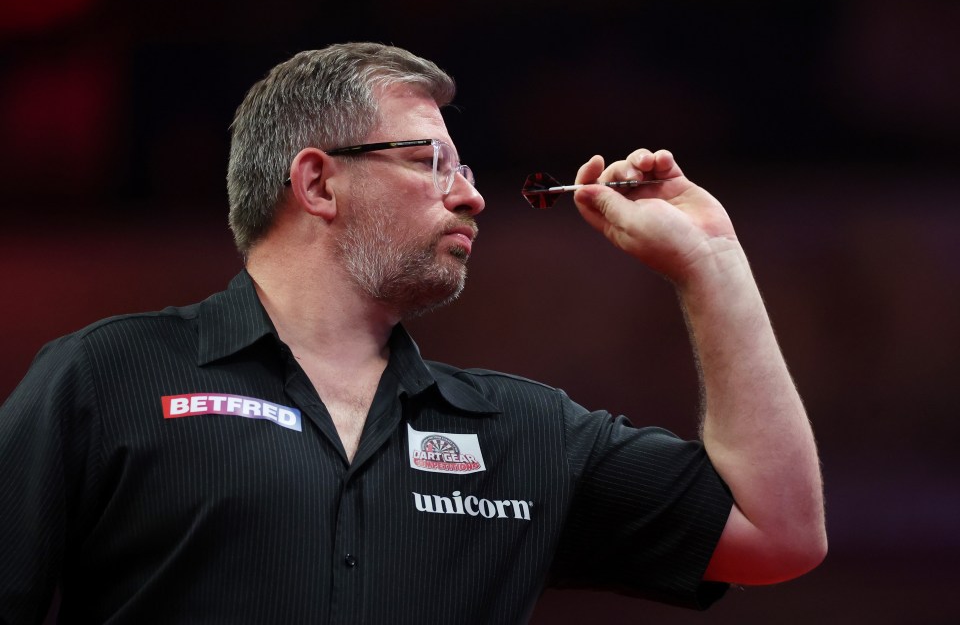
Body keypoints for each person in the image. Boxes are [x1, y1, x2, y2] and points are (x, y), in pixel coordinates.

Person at [0, 42, 826, 624]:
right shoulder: (104, 378)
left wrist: (713, 264)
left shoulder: (525, 435)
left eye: (465, 169)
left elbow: (780, 532)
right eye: (434, 162)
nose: (472, 196)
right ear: (318, 182)